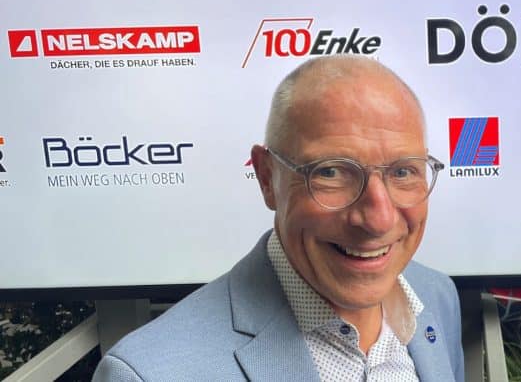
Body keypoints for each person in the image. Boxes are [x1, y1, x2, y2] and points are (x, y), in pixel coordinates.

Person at [94, 56, 464, 381]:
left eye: (403, 172)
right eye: (331, 172)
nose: (378, 220)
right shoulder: (147, 374)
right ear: (267, 178)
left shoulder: (435, 296)